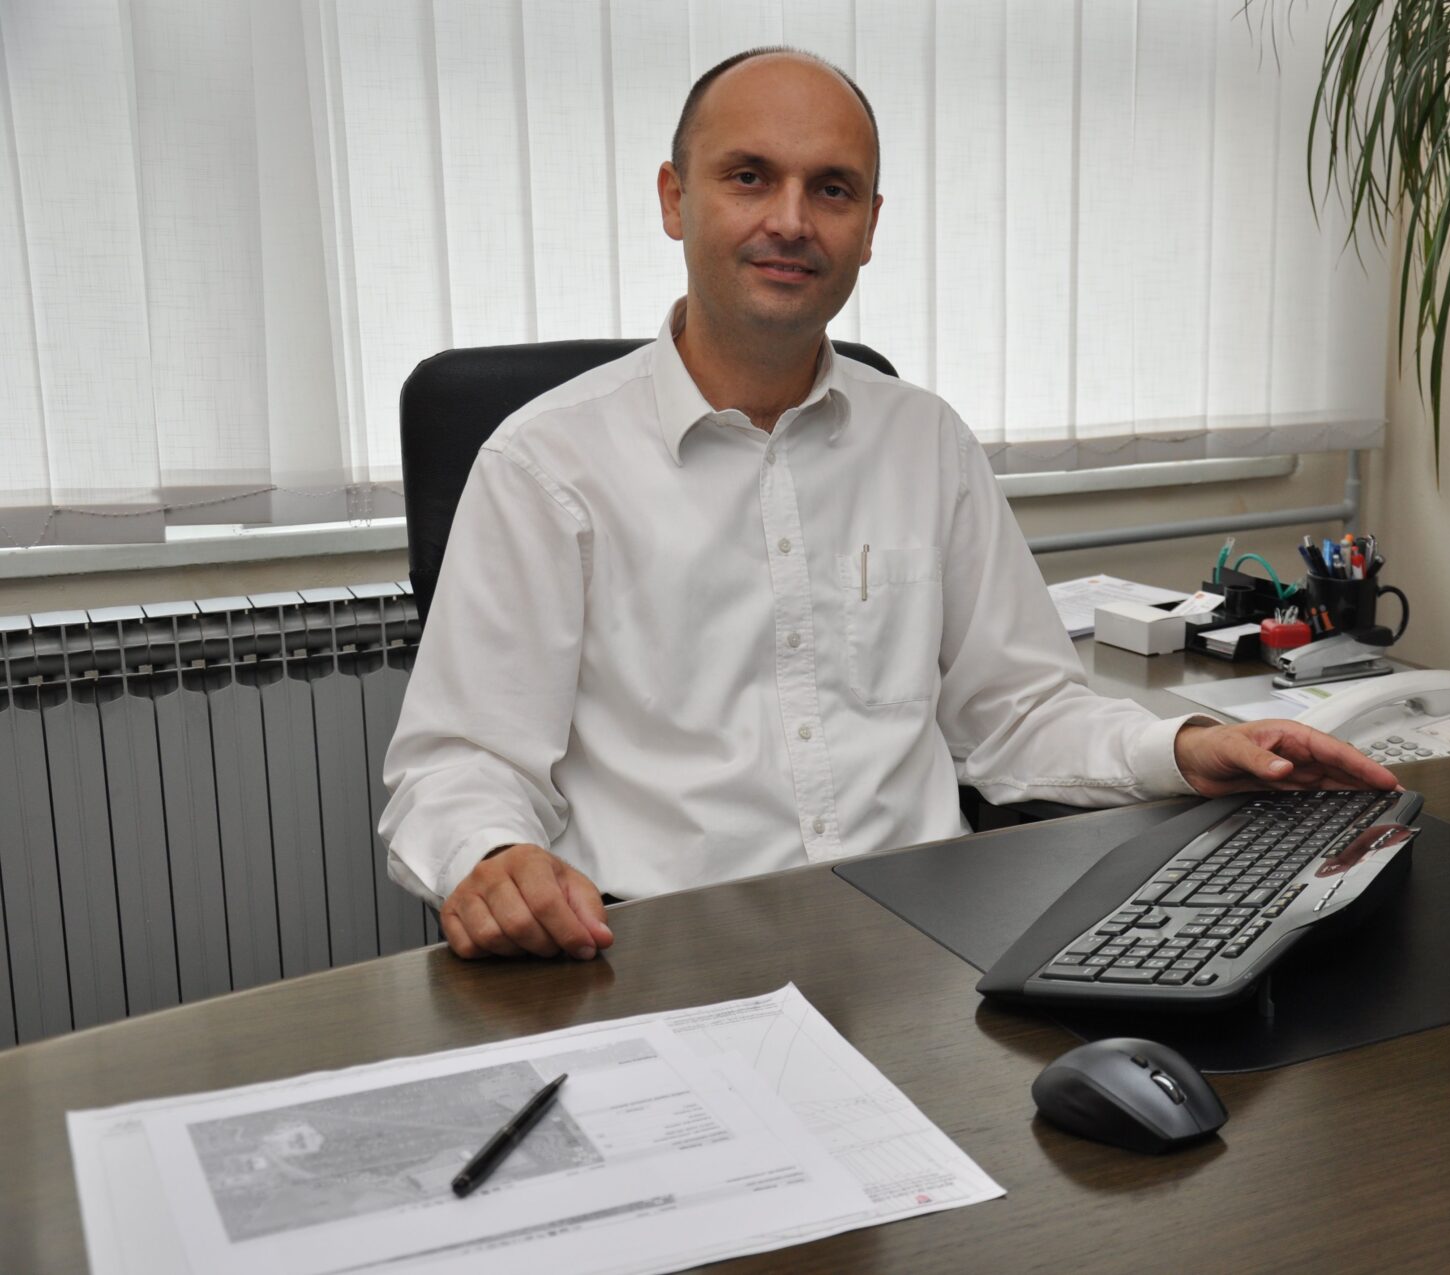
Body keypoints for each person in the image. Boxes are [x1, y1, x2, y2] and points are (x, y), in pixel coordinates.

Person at [379, 47, 1397, 962]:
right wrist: (495, 854)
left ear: (869, 226)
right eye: (749, 177)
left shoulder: (926, 442)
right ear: (674, 199)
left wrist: (1183, 747)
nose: (791, 220)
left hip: (925, 942)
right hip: (656, 949)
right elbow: (459, 763)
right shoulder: (546, 463)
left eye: (832, 189)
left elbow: (1019, 713)